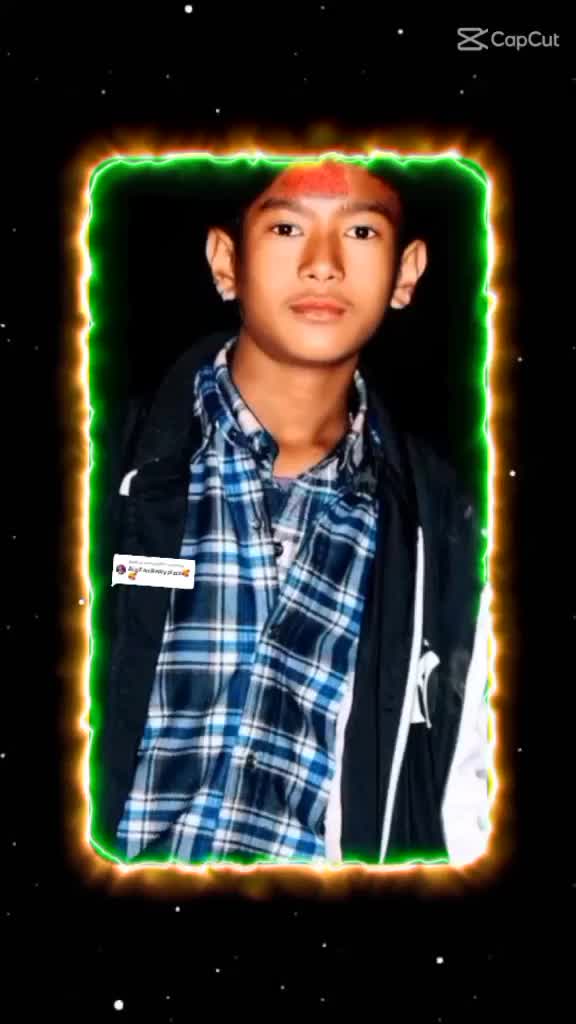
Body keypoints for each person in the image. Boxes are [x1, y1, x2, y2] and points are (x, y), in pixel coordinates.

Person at [92, 158, 490, 867]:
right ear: (227, 261)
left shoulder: (450, 534)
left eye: (361, 231)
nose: (323, 263)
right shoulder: (102, 464)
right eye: (285, 228)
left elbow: (465, 794)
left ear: (406, 273)